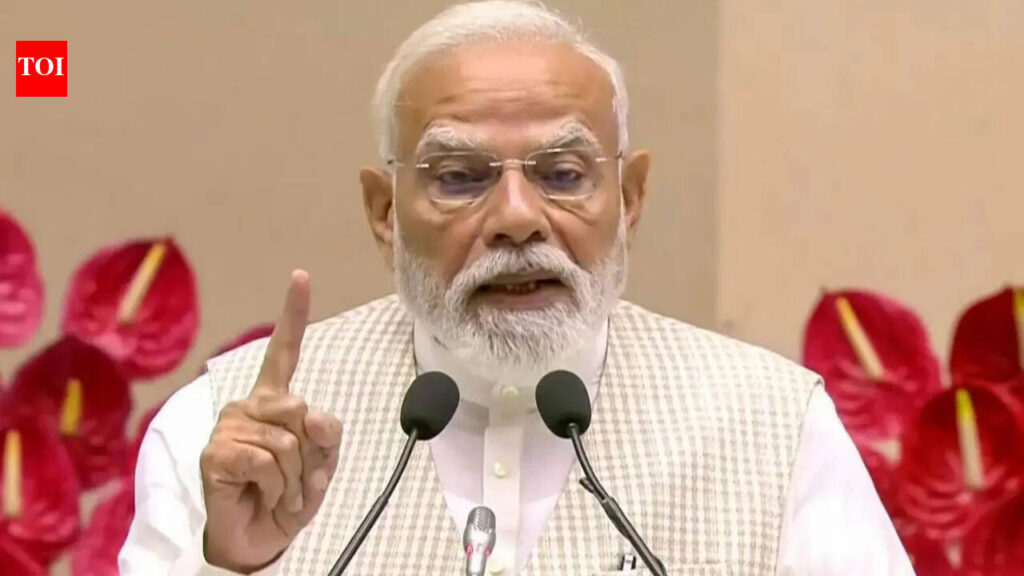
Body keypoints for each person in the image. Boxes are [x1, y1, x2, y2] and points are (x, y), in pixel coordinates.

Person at [119, 1, 914, 574]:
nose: (516, 218)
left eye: (562, 174)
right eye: (459, 177)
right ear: (385, 211)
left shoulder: (775, 428)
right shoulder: (225, 436)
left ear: (630, 198)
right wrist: (232, 566)